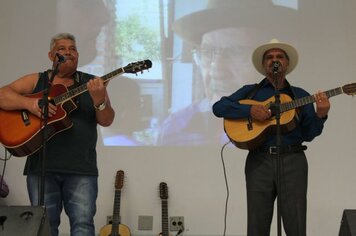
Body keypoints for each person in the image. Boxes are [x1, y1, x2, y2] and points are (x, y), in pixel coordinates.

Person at [0, 33, 115, 236]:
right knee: (44, 227)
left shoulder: (93, 83)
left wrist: (99, 100)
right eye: (62, 48)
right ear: (51, 55)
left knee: (83, 225)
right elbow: (2, 95)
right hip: (42, 168)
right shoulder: (38, 80)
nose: (68, 52)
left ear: (78, 55)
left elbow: (106, 120)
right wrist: (30, 104)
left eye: (72, 48)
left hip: (82, 168)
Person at [212, 39, 330, 236]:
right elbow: (218, 108)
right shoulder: (251, 91)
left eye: (279, 57)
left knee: (296, 223)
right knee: (257, 223)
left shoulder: (300, 95)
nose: (274, 60)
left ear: (287, 64)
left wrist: (321, 115)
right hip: (259, 160)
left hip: (293, 160)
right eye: (270, 57)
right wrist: (249, 110)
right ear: (264, 65)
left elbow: (309, 134)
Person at [157, 0, 298, 145]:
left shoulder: (292, 119)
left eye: (236, 52)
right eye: (207, 52)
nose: (217, 71)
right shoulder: (176, 128)